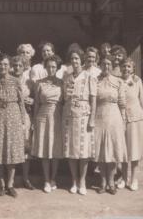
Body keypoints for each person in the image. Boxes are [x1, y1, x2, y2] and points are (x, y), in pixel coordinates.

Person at [0, 54, 26, 198]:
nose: (3, 67)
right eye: (0, 64)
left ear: (9, 66)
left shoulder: (16, 81)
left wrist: (23, 120)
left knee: (12, 151)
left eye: (5, 64)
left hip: (13, 116)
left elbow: (21, 102)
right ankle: (2, 183)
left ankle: (10, 184)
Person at [62, 48, 97, 195]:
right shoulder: (67, 77)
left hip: (84, 114)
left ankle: (82, 180)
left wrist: (92, 118)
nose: (74, 61)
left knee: (83, 151)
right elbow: (64, 98)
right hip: (69, 114)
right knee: (71, 149)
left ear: (81, 60)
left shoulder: (89, 76)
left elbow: (93, 99)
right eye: (72, 59)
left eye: (77, 58)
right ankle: (74, 180)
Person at [94, 55, 127, 195]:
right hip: (99, 116)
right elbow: (92, 100)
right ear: (100, 65)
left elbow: (122, 103)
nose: (106, 66)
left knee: (113, 150)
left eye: (109, 64)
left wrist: (124, 120)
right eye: (104, 64)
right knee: (101, 151)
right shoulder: (95, 81)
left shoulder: (118, 82)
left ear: (112, 66)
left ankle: (111, 182)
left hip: (115, 117)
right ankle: (102, 182)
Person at [31, 54, 64, 193]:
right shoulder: (39, 83)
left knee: (55, 149)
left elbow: (63, 103)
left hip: (57, 116)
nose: (51, 69)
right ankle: (46, 180)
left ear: (57, 68)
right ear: (45, 68)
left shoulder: (61, 82)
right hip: (43, 116)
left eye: (54, 67)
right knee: (45, 149)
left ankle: (53, 178)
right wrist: (34, 120)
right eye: (49, 67)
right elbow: (37, 104)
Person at [120, 58, 143, 191]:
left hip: (136, 119)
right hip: (121, 119)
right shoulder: (118, 81)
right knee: (124, 150)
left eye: (129, 67)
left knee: (135, 149)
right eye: (124, 66)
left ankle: (134, 179)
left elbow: (142, 102)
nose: (126, 69)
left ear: (133, 69)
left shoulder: (137, 81)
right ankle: (124, 178)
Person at [11, 55, 36, 190]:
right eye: (15, 65)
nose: (17, 68)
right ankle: (12, 179)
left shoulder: (29, 82)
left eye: (20, 65)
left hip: (26, 116)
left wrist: (32, 101)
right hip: (12, 116)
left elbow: (36, 99)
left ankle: (25, 178)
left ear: (24, 66)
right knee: (13, 147)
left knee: (26, 147)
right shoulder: (8, 80)